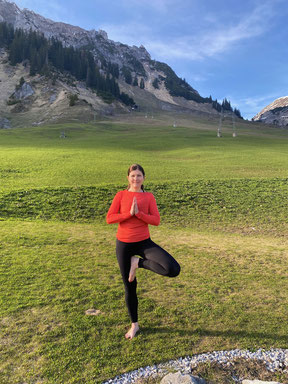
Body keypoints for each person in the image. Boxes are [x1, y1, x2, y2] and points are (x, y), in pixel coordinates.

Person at [106, 164, 181, 339]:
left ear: (144, 178)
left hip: (144, 243)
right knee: (130, 287)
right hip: (124, 245)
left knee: (172, 269)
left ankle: (137, 263)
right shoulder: (121, 195)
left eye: (139, 175)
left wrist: (139, 214)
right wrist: (129, 214)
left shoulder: (148, 197)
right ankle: (135, 325)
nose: (136, 179)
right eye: (133, 175)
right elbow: (110, 218)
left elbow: (156, 220)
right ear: (128, 178)